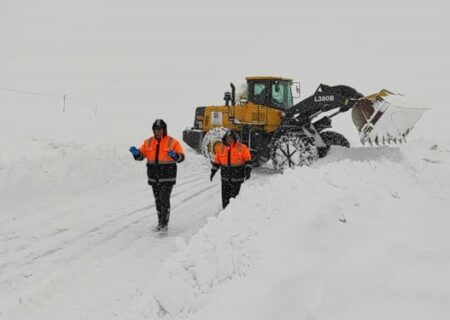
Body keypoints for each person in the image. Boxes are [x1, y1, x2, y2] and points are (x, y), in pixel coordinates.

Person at [129, 119, 185, 232]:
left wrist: (175, 155)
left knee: (164, 199)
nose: (158, 132)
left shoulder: (173, 142)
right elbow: (141, 155)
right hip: (154, 178)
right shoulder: (148, 142)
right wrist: (136, 154)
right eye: (156, 130)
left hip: (168, 177)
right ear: (153, 130)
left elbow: (181, 158)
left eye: (160, 129)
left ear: (164, 130)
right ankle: (160, 222)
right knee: (158, 200)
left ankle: (164, 224)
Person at [210, 130, 252, 209]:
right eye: (227, 138)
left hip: (237, 180)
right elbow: (217, 162)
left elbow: (248, 161)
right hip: (225, 180)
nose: (229, 140)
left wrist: (248, 171)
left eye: (231, 138)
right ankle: (224, 215)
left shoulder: (242, 147)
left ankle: (234, 217)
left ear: (234, 138)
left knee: (235, 201)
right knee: (225, 201)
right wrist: (213, 172)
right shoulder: (220, 148)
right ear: (224, 139)